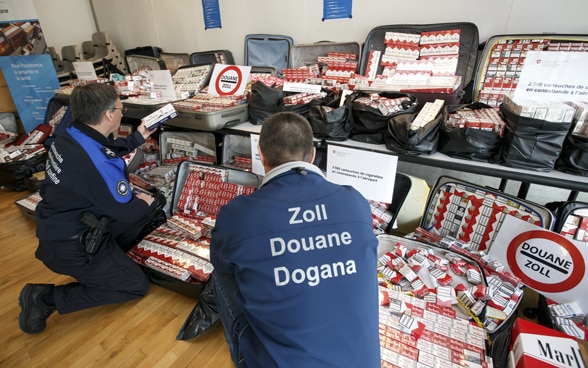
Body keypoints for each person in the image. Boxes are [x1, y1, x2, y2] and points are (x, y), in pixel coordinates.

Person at [209, 112, 381, 367]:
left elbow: (221, 261)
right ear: (312, 155)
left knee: (221, 274)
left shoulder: (239, 214)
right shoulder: (354, 201)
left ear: (261, 154)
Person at [18, 83, 165, 334]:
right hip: (74, 245)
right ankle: (43, 298)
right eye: (121, 107)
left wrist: (137, 137)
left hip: (60, 228)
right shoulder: (99, 164)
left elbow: (100, 150)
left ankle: (108, 264)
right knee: (134, 284)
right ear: (109, 114)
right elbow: (126, 211)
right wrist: (144, 200)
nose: (122, 111)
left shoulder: (71, 135)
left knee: (146, 210)